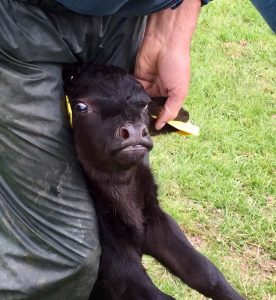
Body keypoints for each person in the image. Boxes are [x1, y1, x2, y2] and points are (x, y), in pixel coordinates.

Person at [0, 0, 274, 299]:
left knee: (126, 188)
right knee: (63, 253)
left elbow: (153, 225)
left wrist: (171, 29)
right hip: (21, 19)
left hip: (130, 16)